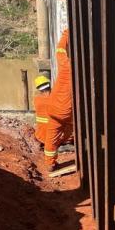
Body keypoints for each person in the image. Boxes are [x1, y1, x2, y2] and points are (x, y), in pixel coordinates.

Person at [43, 30, 74, 171]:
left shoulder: (66, 67)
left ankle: (50, 163)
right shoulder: (82, 74)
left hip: (54, 109)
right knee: (71, 129)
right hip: (69, 113)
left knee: (51, 137)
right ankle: (67, 142)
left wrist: (66, 34)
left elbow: (60, 51)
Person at [32, 75, 52, 153]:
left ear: (39, 89)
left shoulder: (36, 99)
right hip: (54, 133)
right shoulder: (54, 98)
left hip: (41, 135)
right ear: (49, 85)